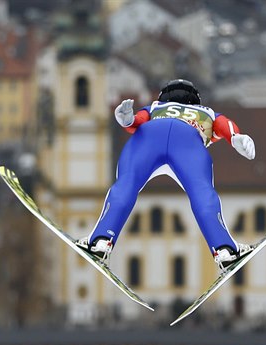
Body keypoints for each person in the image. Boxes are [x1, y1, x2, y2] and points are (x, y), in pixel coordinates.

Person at [76, 79, 256, 270]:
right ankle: (224, 249)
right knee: (202, 192)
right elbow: (225, 125)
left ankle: (101, 240)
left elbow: (135, 123)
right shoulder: (207, 113)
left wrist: (126, 119)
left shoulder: (155, 107)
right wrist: (236, 137)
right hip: (188, 141)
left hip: (148, 137)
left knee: (126, 184)